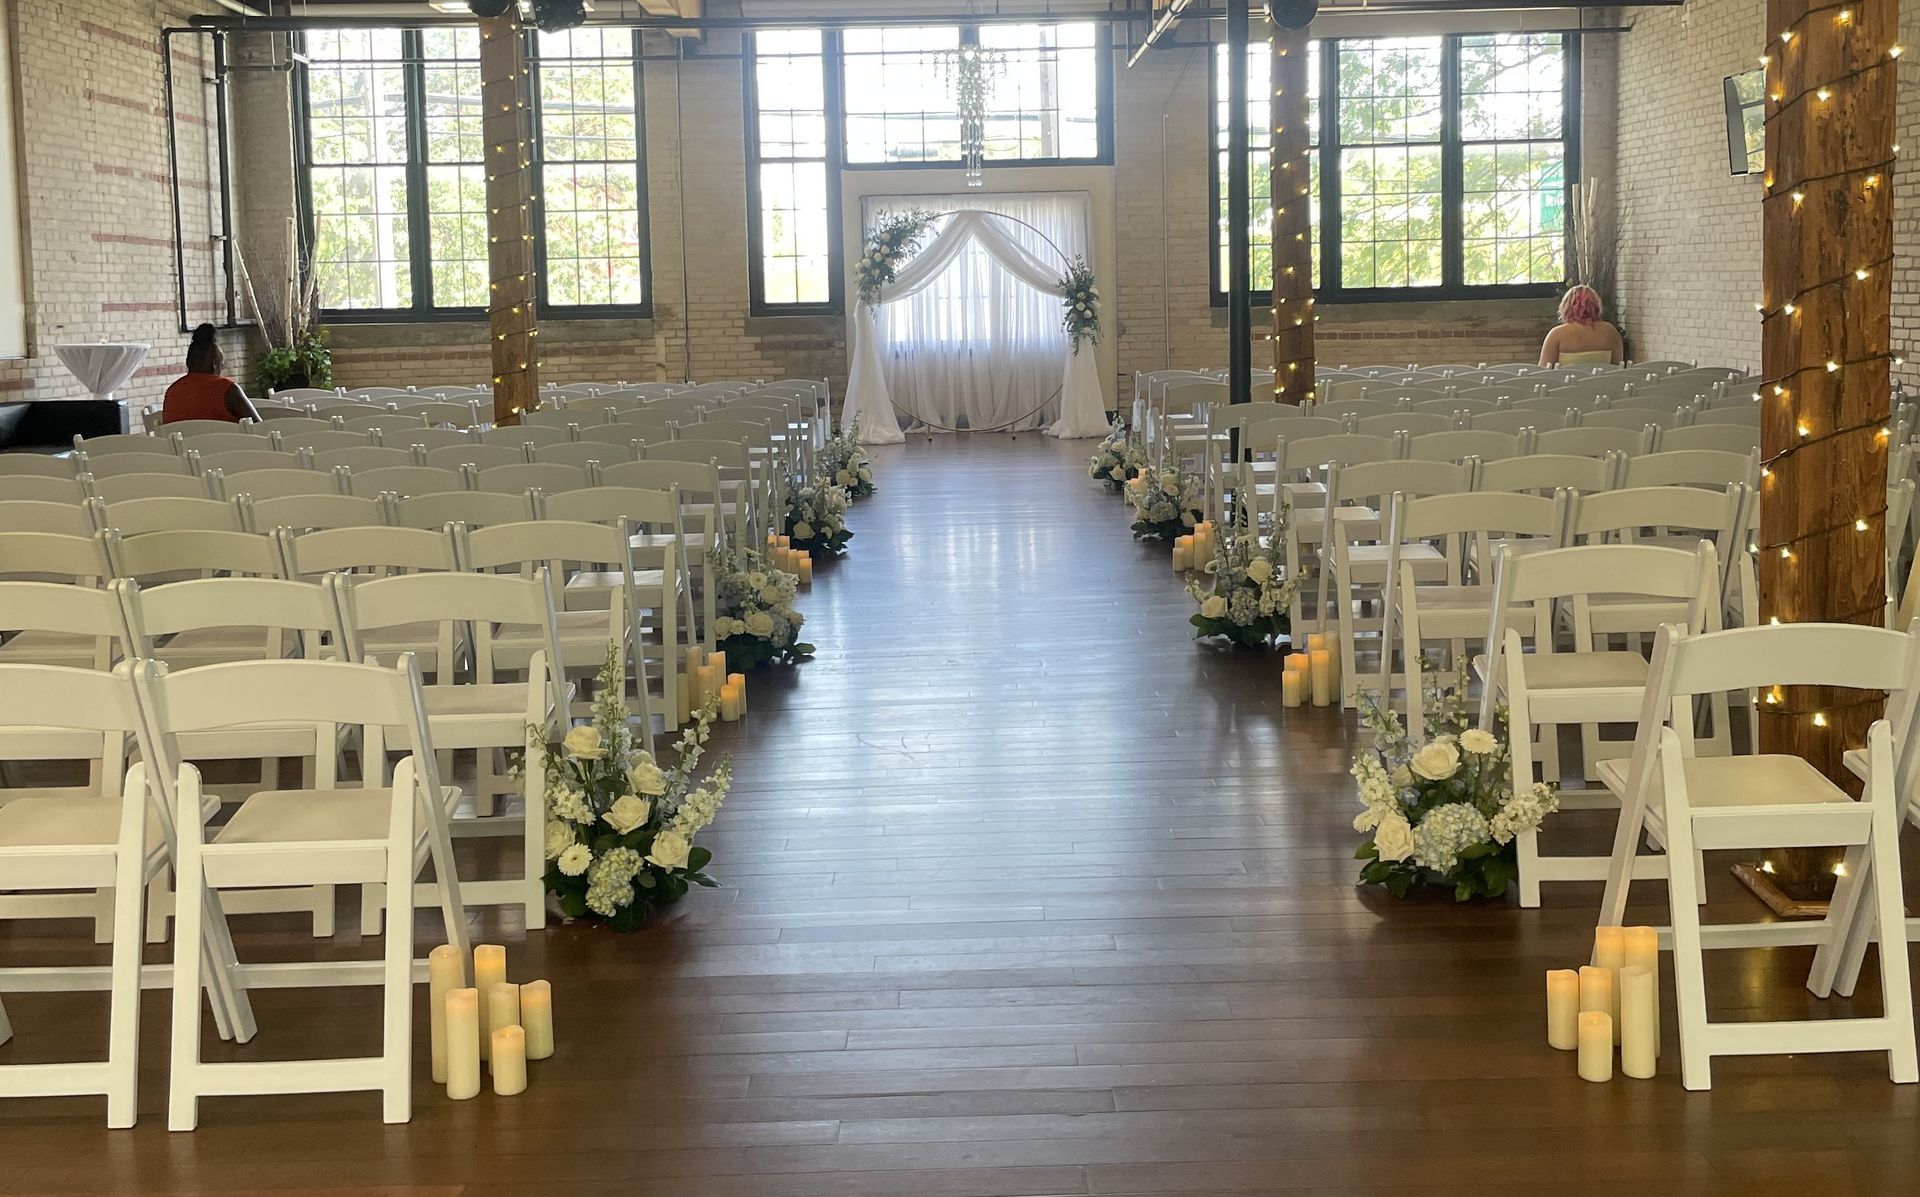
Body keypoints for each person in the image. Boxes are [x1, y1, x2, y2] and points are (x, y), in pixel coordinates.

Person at [161, 323, 260, 424]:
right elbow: (260, 428)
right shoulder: (228, 390)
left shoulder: (172, 392)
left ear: (188, 362)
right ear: (214, 364)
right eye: (222, 365)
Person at [1538, 285, 1624, 367]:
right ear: (1596, 305)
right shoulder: (1611, 332)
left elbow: (1544, 371)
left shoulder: (1556, 334)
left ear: (1566, 306)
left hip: (1567, 381)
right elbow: (1618, 368)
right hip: (1603, 382)